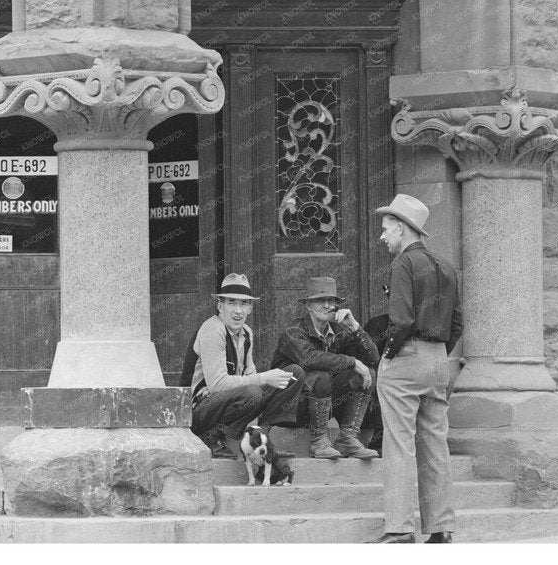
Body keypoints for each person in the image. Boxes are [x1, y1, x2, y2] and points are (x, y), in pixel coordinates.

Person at [374, 193, 463, 545]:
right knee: (435, 446)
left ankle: (398, 529)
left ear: (400, 228)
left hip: (407, 359)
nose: (382, 236)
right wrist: (438, 354)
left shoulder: (403, 265)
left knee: (398, 445)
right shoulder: (445, 266)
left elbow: (401, 320)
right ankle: (440, 529)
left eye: (385, 229)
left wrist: (389, 356)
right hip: (438, 359)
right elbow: (458, 323)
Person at [184, 272, 305, 456]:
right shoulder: (214, 329)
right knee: (252, 392)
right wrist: (261, 378)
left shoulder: (246, 332)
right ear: (220, 306)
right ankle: (210, 436)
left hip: (218, 400)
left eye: (243, 304)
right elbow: (219, 385)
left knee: (293, 374)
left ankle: (262, 437)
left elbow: (248, 376)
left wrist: (229, 385)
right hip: (194, 412)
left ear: (250, 308)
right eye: (231, 303)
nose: (238, 311)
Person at [269, 275, 380, 460]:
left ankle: (347, 438)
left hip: (324, 404)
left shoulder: (339, 331)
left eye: (332, 301)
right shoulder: (293, 331)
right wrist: (352, 361)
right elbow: (309, 358)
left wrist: (355, 328)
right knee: (321, 375)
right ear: (308, 305)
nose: (328, 305)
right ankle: (319, 441)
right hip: (294, 407)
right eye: (321, 300)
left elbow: (374, 358)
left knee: (367, 374)